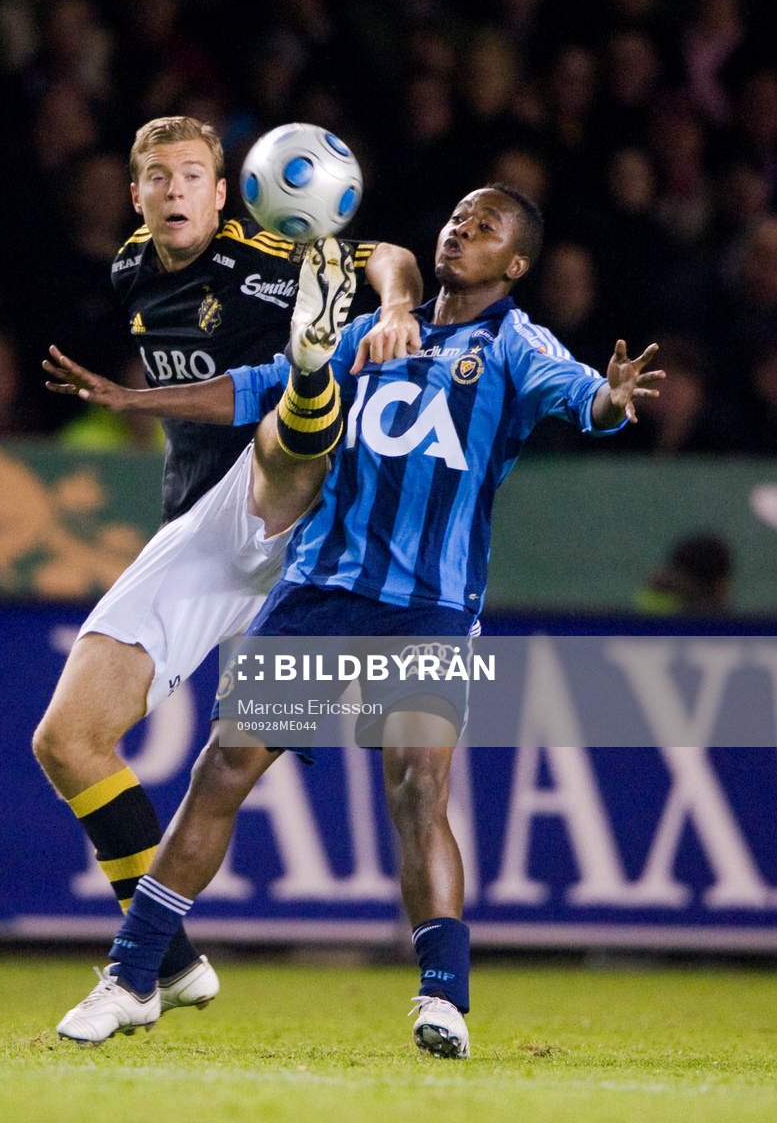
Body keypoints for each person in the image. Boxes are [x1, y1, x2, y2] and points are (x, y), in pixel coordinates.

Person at [44, 182, 664, 1057]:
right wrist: (131, 399)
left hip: (429, 608)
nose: (459, 231)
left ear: (514, 264)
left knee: (418, 788)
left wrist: (611, 398)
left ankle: (442, 996)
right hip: (319, 593)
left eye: (483, 228)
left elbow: (580, 399)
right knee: (221, 775)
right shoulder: (365, 332)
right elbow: (256, 388)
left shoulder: (515, 343)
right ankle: (134, 976)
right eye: (454, 218)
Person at [32, 114, 422, 1017]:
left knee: (285, 428)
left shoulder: (263, 258)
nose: (174, 191)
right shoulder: (131, 268)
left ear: (224, 193)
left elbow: (390, 253)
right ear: (136, 197)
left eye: (192, 176)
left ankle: (311, 376)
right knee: (66, 740)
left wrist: (397, 305)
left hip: (298, 510)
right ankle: (167, 962)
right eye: (157, 178)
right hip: (203, 532)